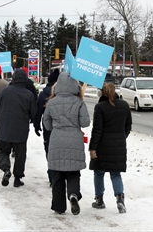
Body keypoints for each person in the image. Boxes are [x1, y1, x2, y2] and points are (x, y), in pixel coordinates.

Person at [43, 72, 90, 215]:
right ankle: (73, 194)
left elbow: (47, 124)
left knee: (57, 176)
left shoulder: (51, 102)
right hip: (74, 140)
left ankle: (58, 206)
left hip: (56, 140)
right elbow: (85, 122)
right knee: (73, 173)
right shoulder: (79, 102)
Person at [0, 68, 37, 188]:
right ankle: (18, 178)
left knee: (4, 151)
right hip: (21, 130)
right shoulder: (29, 94)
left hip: (4, 127)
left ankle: (6, 169)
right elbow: (33, 112)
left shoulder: (5, 91)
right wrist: (33, 121)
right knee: (20, 155)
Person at [89, 82, 132, 214]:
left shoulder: (100, 107)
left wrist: (92, 148)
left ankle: (99, 200)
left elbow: (97, 130)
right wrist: (121, 137)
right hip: (118, 144)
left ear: (102, 92)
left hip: (102, 145)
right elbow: (128, 126)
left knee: (99, 172)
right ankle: (120, 199)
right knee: (115, 173)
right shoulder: (124, 105)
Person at [33, 68, 60, 187]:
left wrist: (36, 124)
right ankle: (59, 174)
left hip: (48, 127)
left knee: (49, 150)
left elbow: (38, 111)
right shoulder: (62, 93)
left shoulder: (43, 94)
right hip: (61, 127)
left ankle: (52, 175)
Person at [10, 67, 38, 158]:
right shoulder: (31, 86)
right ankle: (19, 150)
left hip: (13, 112)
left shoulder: (11, 85)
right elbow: (35, 101)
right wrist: (32, 116)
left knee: (13, 132)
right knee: (22, 134)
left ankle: (14, 148)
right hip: (25, 114)